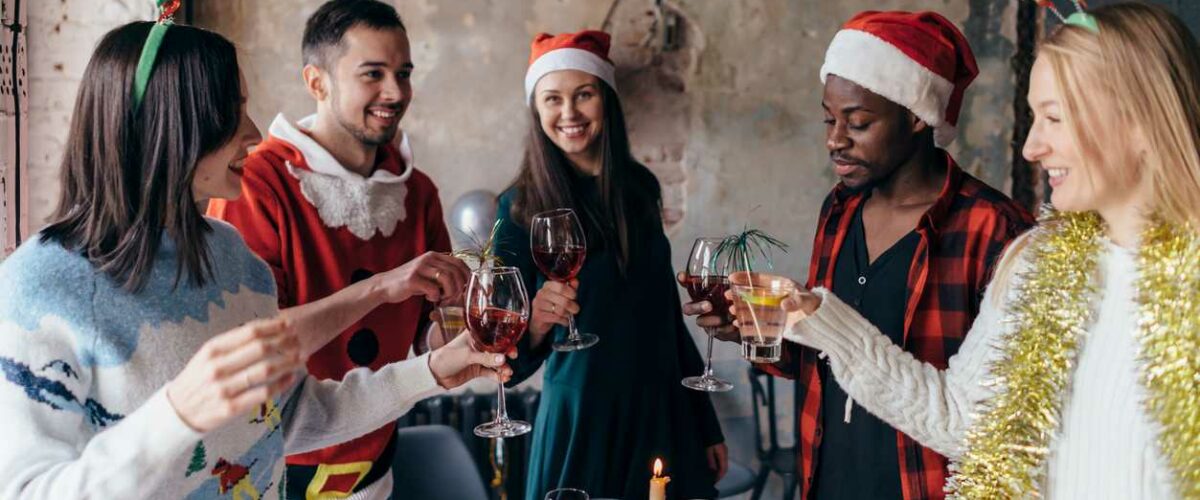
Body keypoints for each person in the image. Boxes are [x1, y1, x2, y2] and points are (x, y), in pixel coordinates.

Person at [0, 20, 508, 499]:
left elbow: (285, 420)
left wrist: (432, 371)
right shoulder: (39, 288)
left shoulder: (231, 259)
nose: (255, 134)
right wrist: (178, 415)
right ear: (165, 124)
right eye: (230, 111)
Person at [746, 3, 1200, 498]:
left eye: (1054, 117)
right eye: (1033, 117)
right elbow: (964, 418)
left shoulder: (999, 229)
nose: (1030, 147)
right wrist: (810, 319)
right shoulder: (1036, 264)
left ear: (1138, 120)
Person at [683, 11, 1033, 500]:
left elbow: (994, 417)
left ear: (916, 116)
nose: (834, 140)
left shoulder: (995, 230)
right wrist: (757, 331)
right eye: (830, 119)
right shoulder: (840, 209)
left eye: (859, 123)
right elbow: (823, 362)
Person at [206, 1, 456, 496]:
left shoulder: (419, 191)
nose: (395, 92)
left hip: (376, 468)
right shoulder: (257, 182)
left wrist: (460, 327)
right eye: (373, 74)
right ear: (316, 82)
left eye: (403, 73)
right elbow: (250, 348)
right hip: (271, 471)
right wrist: (383, 288)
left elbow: (432, 331)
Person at [492, 31, 726, 500]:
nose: (569, 113)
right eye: (552, 99)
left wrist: (703, 421)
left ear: (607, 99)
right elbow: (505, 365)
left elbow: (665, 314)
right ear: (536, 112)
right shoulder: (517, 208)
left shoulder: (639, 188)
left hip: (661, 411)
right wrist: (536, 321)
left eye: (584, 94)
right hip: (582, 420)